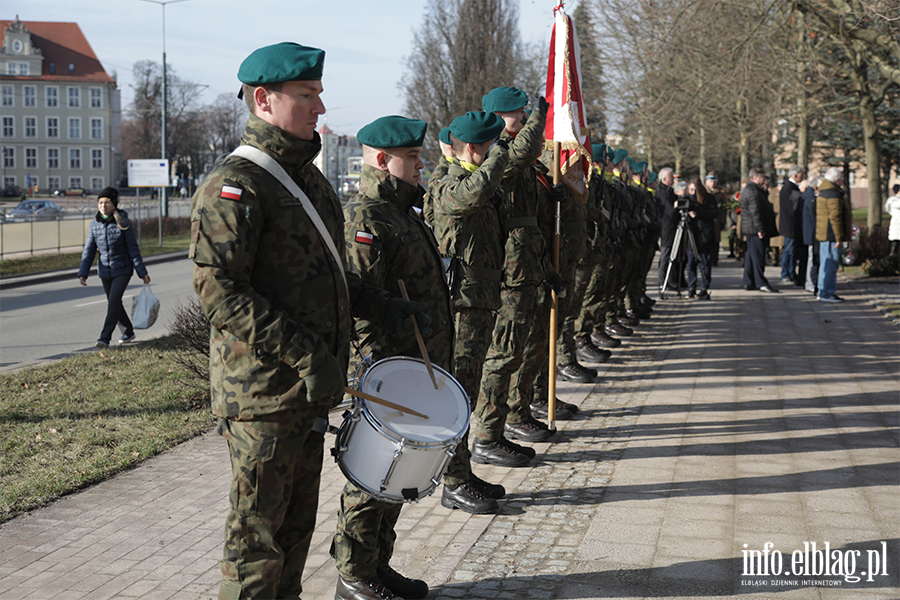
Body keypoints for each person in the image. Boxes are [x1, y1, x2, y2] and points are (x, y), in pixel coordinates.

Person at [189, 43, 428, 600]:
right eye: (306, 96)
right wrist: (308, 356)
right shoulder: (237, 185)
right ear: (263, 99)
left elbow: (326, 279)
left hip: (308, 392)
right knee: (258, 540)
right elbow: (219, 292)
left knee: (295, 534)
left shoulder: (313, 182)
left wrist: (376, 302)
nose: (319, 107)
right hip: (263, 396)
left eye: (318, 94)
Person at [333, 115, 464, 600]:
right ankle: (354, 573)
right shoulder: (366, 217)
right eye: (412, 158)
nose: (420, 164)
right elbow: (361, 301)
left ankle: (377, 565)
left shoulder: (402, 213)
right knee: (374, 474)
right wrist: (379, 370)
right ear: (384, 161)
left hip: (415, 365)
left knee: (398, 480)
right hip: (388, 369)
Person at [78, 186, 150, 348]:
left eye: (107, 202)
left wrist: (142, 272)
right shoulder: (94, 225)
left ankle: (104, 337)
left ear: (114, 204)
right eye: (100, 202)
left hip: (122, 269)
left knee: (113, 302)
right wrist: (83, 272)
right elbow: (89, 251)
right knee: (114, 302)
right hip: (104, 271)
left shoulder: (123, 223)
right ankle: (128, 330)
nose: (103, 205)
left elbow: (133, 250)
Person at [816, 167, 852, 303]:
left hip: (826, 233)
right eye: (842, 177)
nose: (843, 180)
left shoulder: (825, 191)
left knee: (825, 264)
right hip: (831, 235)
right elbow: (835, 216)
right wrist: (839, 237)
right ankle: (826, 293)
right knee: (830, 265)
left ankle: (823, 291)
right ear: (837, 179)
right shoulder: (833, 194)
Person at [740, 168, 778, 293]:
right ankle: (760, 282)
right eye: (762, 177)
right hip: (755, 229)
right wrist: (760, 229)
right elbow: (755, 212)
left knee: (751, 256)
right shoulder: (753, 191)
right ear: (755, 177)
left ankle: (749, 281)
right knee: (758, 256)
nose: (765, 179)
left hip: (752, 229)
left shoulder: (753, 190)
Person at [684, 177, 719, 299]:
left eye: (694, 190)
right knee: (691, 264)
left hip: (705, 235)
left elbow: (714, 213)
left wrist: (698, 214)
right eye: (690, 190)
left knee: (705, 263)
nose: (692, 193)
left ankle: (704, 286)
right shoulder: (688, 199)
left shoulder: (709, 199)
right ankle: (691, 287)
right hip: (691, 235)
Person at [779, 165, 804, 283]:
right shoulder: (790, 188)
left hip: (790, 224)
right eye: (801, 175)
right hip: (790, 224)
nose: (803, 177)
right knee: (789, 250)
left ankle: (790, 272)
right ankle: (785, 273)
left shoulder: (790, 187)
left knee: (792, 250)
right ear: (795, 175)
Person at [884, 183, 900, 256]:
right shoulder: (893, 200)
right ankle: (892, 257)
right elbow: (897, 205)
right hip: (897, 225)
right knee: (895, 243)